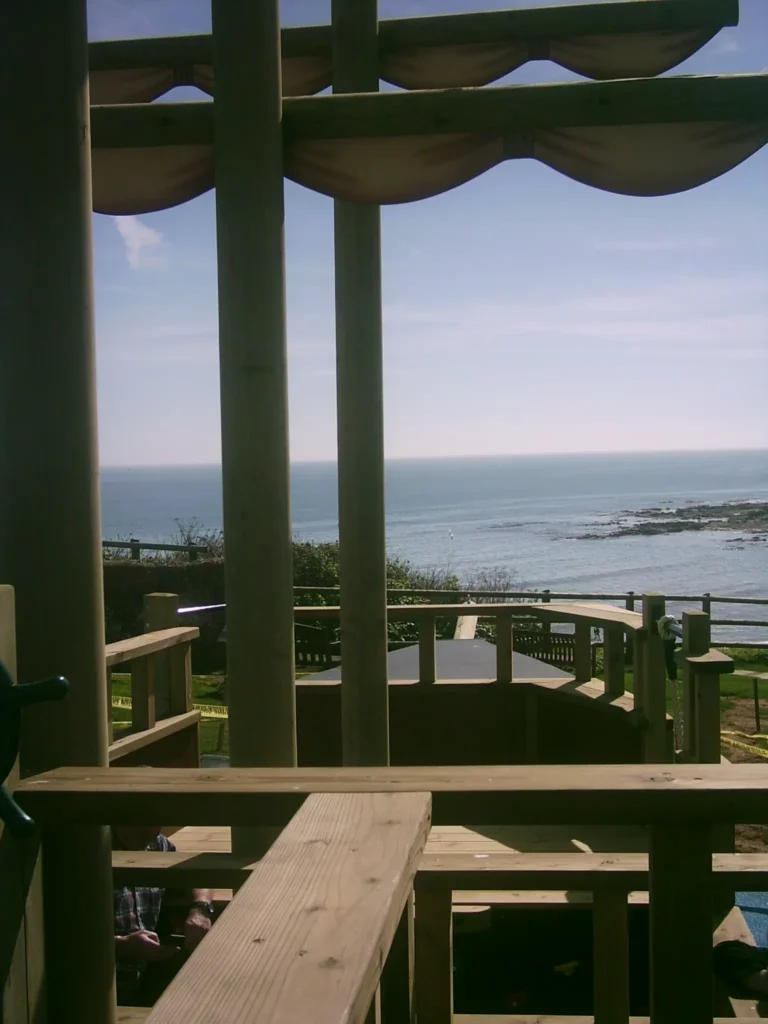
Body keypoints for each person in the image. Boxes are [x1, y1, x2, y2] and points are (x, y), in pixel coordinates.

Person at [113, 824, 213, 1007]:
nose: (153, 833)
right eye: (144, 825)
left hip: (146, 978)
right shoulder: (90, 852)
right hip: (99, 989)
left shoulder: (157, 845)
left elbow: (199, 877)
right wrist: (123, 946)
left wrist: (200, 909)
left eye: (158, 824)